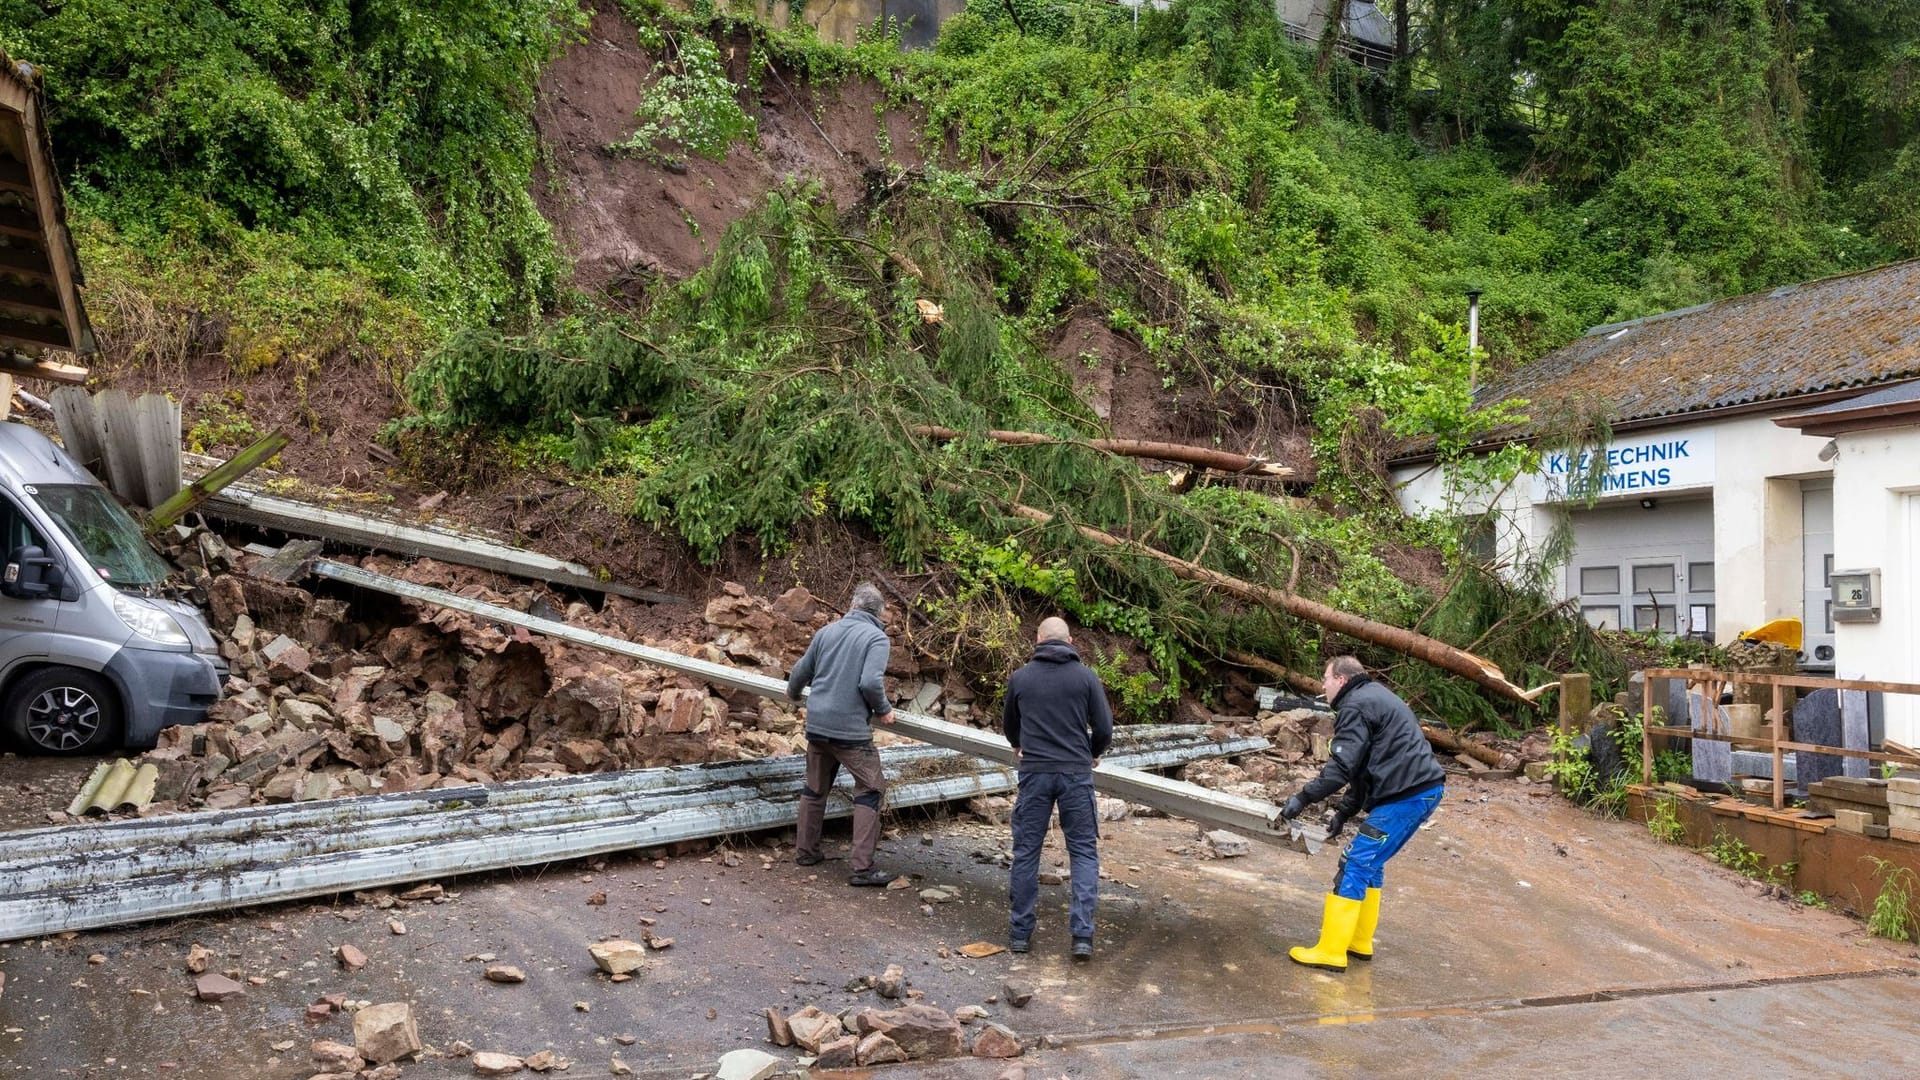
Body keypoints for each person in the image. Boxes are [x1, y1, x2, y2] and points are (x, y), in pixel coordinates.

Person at [1278, 655, 1445, 971]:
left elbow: (1341, 767)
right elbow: (1362, 768)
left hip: (1407, 795)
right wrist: (1344, 812)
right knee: (1371, 863)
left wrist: (1302, 798)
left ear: (1341, 679)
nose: (1322, 686)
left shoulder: (1354, 706)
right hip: (1417, 791)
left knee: (1355, 861)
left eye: (1325, 679)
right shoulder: (1374, 697)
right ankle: (1358, 942)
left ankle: (1331, 950)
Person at [1002, 617, 1114, 961]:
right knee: (1082, 852)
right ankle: (1082, 936)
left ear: (1037, 639)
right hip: (1075, 775)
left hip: (1035, 773)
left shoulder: (1021, 678)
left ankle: (1020, 934)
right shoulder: (1085, 677)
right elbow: (1105, 727)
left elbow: (1010, 727)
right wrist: (1090, 753)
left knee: (1027, 852)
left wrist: (1022, 745)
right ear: (1070, 641)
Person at [787, 582, 896, 886]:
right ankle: (862, 868)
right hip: (849, 732)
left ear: (852, 605)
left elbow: (799, 672)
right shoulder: (876, 638)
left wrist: (793, 695)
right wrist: (885, 710)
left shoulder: (827, 632)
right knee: (871, 788)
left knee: (814, 788)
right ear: (878, 612)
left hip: (818, 726)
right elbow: (870, 684)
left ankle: (806, 852)